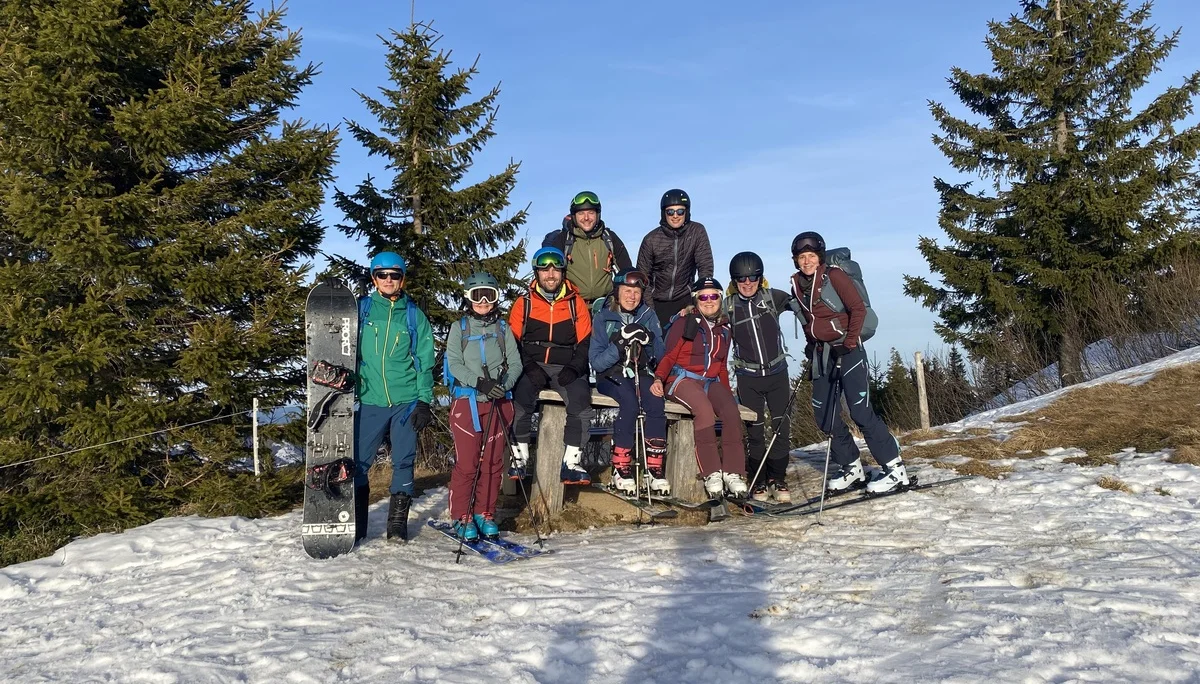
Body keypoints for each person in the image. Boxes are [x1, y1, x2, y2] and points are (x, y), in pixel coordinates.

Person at [790, 231, 906, 494]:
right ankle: (852, 467)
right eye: (801, 257)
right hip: (823, 355)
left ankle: (895, 469)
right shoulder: (797, 284)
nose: (806, 261)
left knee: (860, 411)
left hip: (849, 351)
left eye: (811, 256)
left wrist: (850, 341)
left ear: (819, 256)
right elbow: (810, 320)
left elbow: (857, 308)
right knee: (825, 416)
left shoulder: (835, 276)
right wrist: (812, 345)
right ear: (796, 260)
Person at [355, 251, 435, 544]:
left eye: (395, 275)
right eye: (382, 275)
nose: (389, 280)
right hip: (369, 399)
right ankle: (358, 521)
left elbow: (424, 362)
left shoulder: (414, 315)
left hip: (406, 399)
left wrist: (424, 401)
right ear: (374, 278)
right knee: (359, 463)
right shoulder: (361, 310)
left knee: (404, 459)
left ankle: (397, 524)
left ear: (403, 279)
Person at [650, 277, 747, 498]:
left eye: (713, 295)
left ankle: (733, 472)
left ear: (720, 298)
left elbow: (721, 366)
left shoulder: (724, 329)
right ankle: (712, 471)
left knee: (731, 411)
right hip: (681, 379)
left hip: (710, 381)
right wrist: (658, 378)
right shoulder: (685, 322)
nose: (709, 300)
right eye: (703, 296)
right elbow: (669, 355)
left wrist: (725, 393)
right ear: (696, 300)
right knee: (703, 410)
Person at [444, 272, 523, 542]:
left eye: (490, 295)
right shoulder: (460, 328)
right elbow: (454, 364)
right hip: (468, 403)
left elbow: (515, 363)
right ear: (468, 298)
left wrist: (505, 383)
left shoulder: (503, 329)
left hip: (499, 403)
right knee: (467, 464)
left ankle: (484, 513)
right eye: (478, 295)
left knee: (492, 463)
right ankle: (461, 515)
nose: (484, 301)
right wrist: (479, 383)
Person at [508, 246, 595, 484]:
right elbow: (512, 341)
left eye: (555, 270)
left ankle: (571, 463)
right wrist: (529, 367)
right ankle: (519, 459)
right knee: (520, 399)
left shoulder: (575, 303)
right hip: (532, 363)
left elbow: (586, 341)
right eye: (544, 270)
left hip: (565, 364)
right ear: (536, 273)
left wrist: (575, 368)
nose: (550, 275)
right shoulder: (523, 303)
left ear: (563, 273)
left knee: (580, 402)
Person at [726, 252, 801, 503]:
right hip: (748, 377)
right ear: (734, 281)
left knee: (781, 428)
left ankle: (777, 479)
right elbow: (706, 316)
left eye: (753, 278)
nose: (747, 283)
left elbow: (802, 305)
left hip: (777, 374)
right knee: (755, 432)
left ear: (761, 278)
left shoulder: (772, 297)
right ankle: (757, 480)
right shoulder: (729, 306)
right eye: (741, 279)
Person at [589, 268, 669, 495]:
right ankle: (620, 466)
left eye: (636, 291)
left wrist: (650, 339)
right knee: (630, 402)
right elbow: (597, 362)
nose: (632, 296)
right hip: (610, 375)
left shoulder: (648, 315)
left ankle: (655, 468)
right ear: (617, 292)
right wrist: (620, 343)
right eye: (627, 291)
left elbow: (660, 356)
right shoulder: (604, 317)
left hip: (640, 372)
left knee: (655, 401)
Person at [636, 189, 715, 328]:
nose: (675, 216)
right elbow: (643, 278)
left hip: (685, 298)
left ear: (687, 212)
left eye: (680, 211)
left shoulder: (697, 232)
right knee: (660, 345)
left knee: (688, 344)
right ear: (663, 213)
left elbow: (705, 267)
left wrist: (696, 303)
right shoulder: (651, 240)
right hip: (657, 301)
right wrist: (650, 311)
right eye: (670, 212)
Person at [542, 191, 634, 305]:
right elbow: (550, 274)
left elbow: (627, 271)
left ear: (598, 214)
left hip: (605, 305)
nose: (586, 218)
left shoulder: (609, 238)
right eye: (581, 213)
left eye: (591, 212)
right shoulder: (563, 240)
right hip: (573, 305)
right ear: (574, 216)